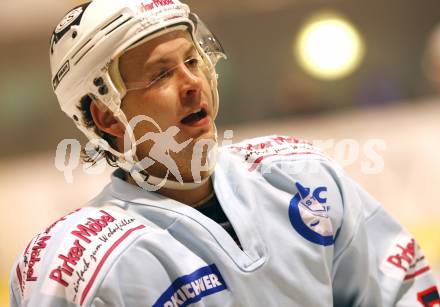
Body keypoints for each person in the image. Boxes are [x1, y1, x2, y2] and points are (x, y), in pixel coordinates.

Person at [10, 0, 439, 306]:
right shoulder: (77, 267)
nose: (193, 82)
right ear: (105, 117)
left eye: (193, 61)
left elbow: (399, 292)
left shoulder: (301, 177)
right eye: (161, 74)